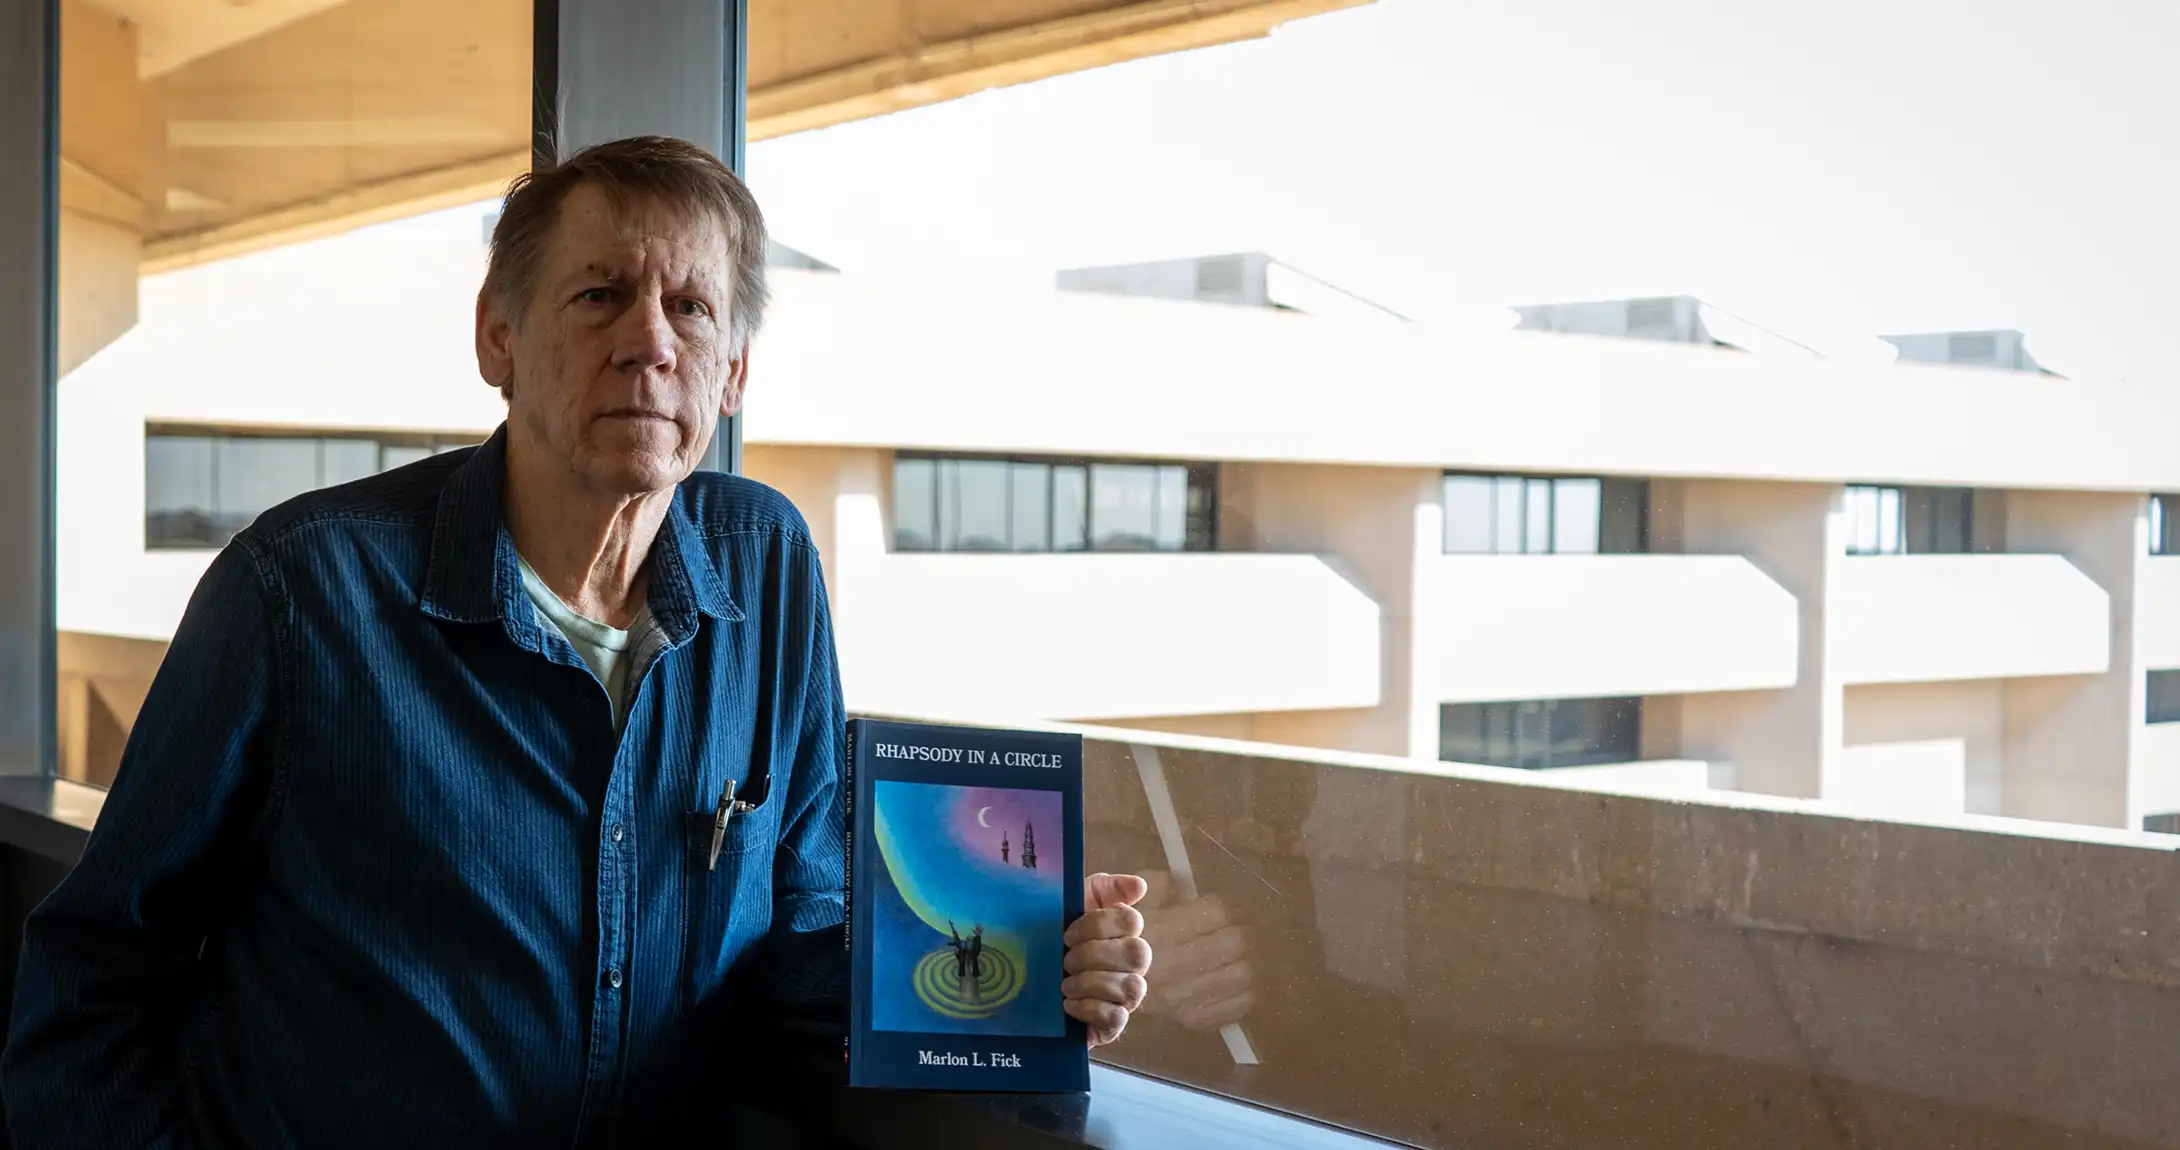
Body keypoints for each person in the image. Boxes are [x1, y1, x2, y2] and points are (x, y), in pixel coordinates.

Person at [1, 135, 1152, 1149]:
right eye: (599, 295)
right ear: (495, 336)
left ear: (734, 373)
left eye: (692, 309)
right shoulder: (301, 588)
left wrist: (1023, 966)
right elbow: (96, 980)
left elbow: (803, 925)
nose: (648, 343)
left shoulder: (768, 568)